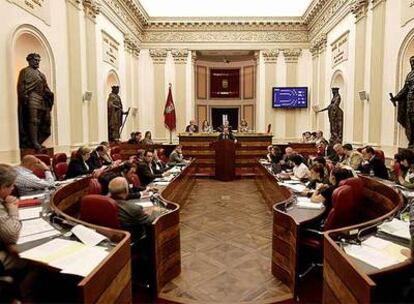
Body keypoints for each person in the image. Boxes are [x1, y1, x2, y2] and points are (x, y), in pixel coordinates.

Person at [17, 53, 54, 150]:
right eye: (35, 60)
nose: (37, 62)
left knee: (42, 121)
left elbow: (45, 87)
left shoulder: (41, 74)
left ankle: (37, 141)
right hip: (31, 97)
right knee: (33, 121)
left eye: (38, 60)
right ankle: (34, 143)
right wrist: (23, 97)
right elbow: (21, 86)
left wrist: (49, 93)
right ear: (29, 60)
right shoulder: (25, 71)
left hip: (41, 99)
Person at [391, 55, 414, 148]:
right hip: (409, 103)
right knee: (410, 123)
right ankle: (411, 142)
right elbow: (405, 89)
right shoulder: (409, 75)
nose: (412, 64)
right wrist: (396, 97)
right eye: (411, 62)